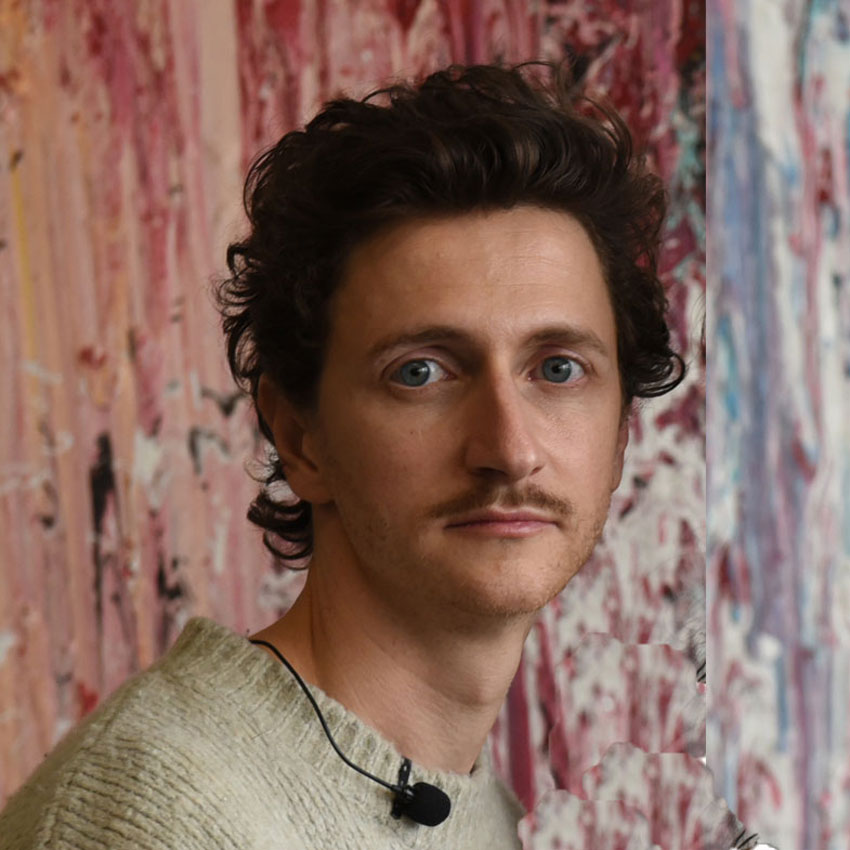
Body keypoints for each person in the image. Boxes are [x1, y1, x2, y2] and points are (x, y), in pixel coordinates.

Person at [0, 60, 685, 849]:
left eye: (558, 369)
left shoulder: (478, 811)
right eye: (420, 373)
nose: (509, 448)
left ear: (621, 430)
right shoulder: (160, 821)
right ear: (301, 439)